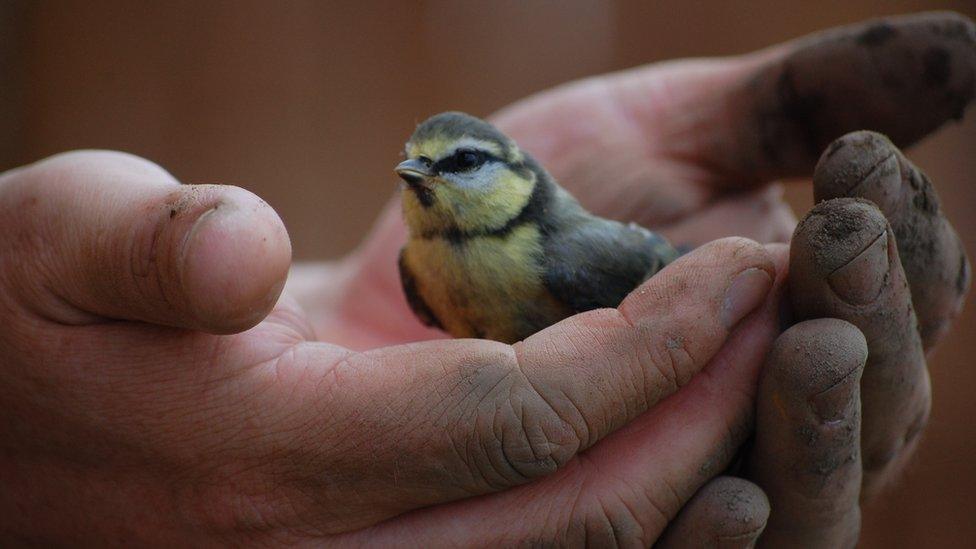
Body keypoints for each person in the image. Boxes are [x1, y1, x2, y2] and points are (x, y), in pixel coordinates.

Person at [0, 12, 971, 547]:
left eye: (457, 163)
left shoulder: (572, 254)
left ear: (514, 178)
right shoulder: (421, 272)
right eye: (416, 164)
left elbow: (687, 300)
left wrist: (762, 300)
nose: (423, 177)